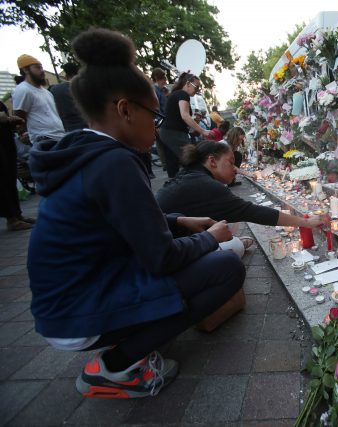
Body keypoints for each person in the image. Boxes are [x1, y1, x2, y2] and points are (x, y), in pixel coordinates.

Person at [27, 28, 246, 399]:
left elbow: (117, 224)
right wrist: (209, 237)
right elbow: (161, 258)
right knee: (227, 268)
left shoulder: (88, 151)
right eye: (155, 118)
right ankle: (116, 366)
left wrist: (178, 222)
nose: (156, 128)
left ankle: (140, 332)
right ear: (125, 109)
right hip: (76, 310)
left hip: (69, 299)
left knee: (203, 251)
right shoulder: (114, 164)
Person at [156, 140, 328, 234]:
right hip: (167, 248)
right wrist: (305, 222)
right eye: (230, 163)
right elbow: (252, 212)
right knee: (232, 253)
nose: (235, 170)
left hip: (164, 237)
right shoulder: (207, 186)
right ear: (212, 161)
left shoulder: (190, 175)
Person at [159, 73, 209, 177]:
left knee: (175, 163)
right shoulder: (183, 94)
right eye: (197, 86)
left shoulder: (176, 94)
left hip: (168, 132)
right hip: (173, 133)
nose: (198, 90)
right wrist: (202, 131)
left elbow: (179, 118)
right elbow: (185, 116)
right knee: (192, 160)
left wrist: (195, 123)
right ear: (188, 84)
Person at [12, 54, 66, 146]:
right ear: (25, 70)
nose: (42, 71)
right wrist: (23, 133)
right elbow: (19, 118)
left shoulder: (46, 92)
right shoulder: (23, 89)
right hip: (44, 140)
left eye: (41, 68)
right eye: (38, 68)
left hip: (60, 138)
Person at [0, 101, 35, 231]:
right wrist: (5, 118)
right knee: (3, 179)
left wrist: (10, 121)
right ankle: (12, 219)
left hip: (5, 141)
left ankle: (17, 214)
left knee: (10, 177)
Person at [49, 62, 87, 132]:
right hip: (87, 126)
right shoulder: (84, 87)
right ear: (78, 72)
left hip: (67, 128)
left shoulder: (54, 90)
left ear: (66, 75)